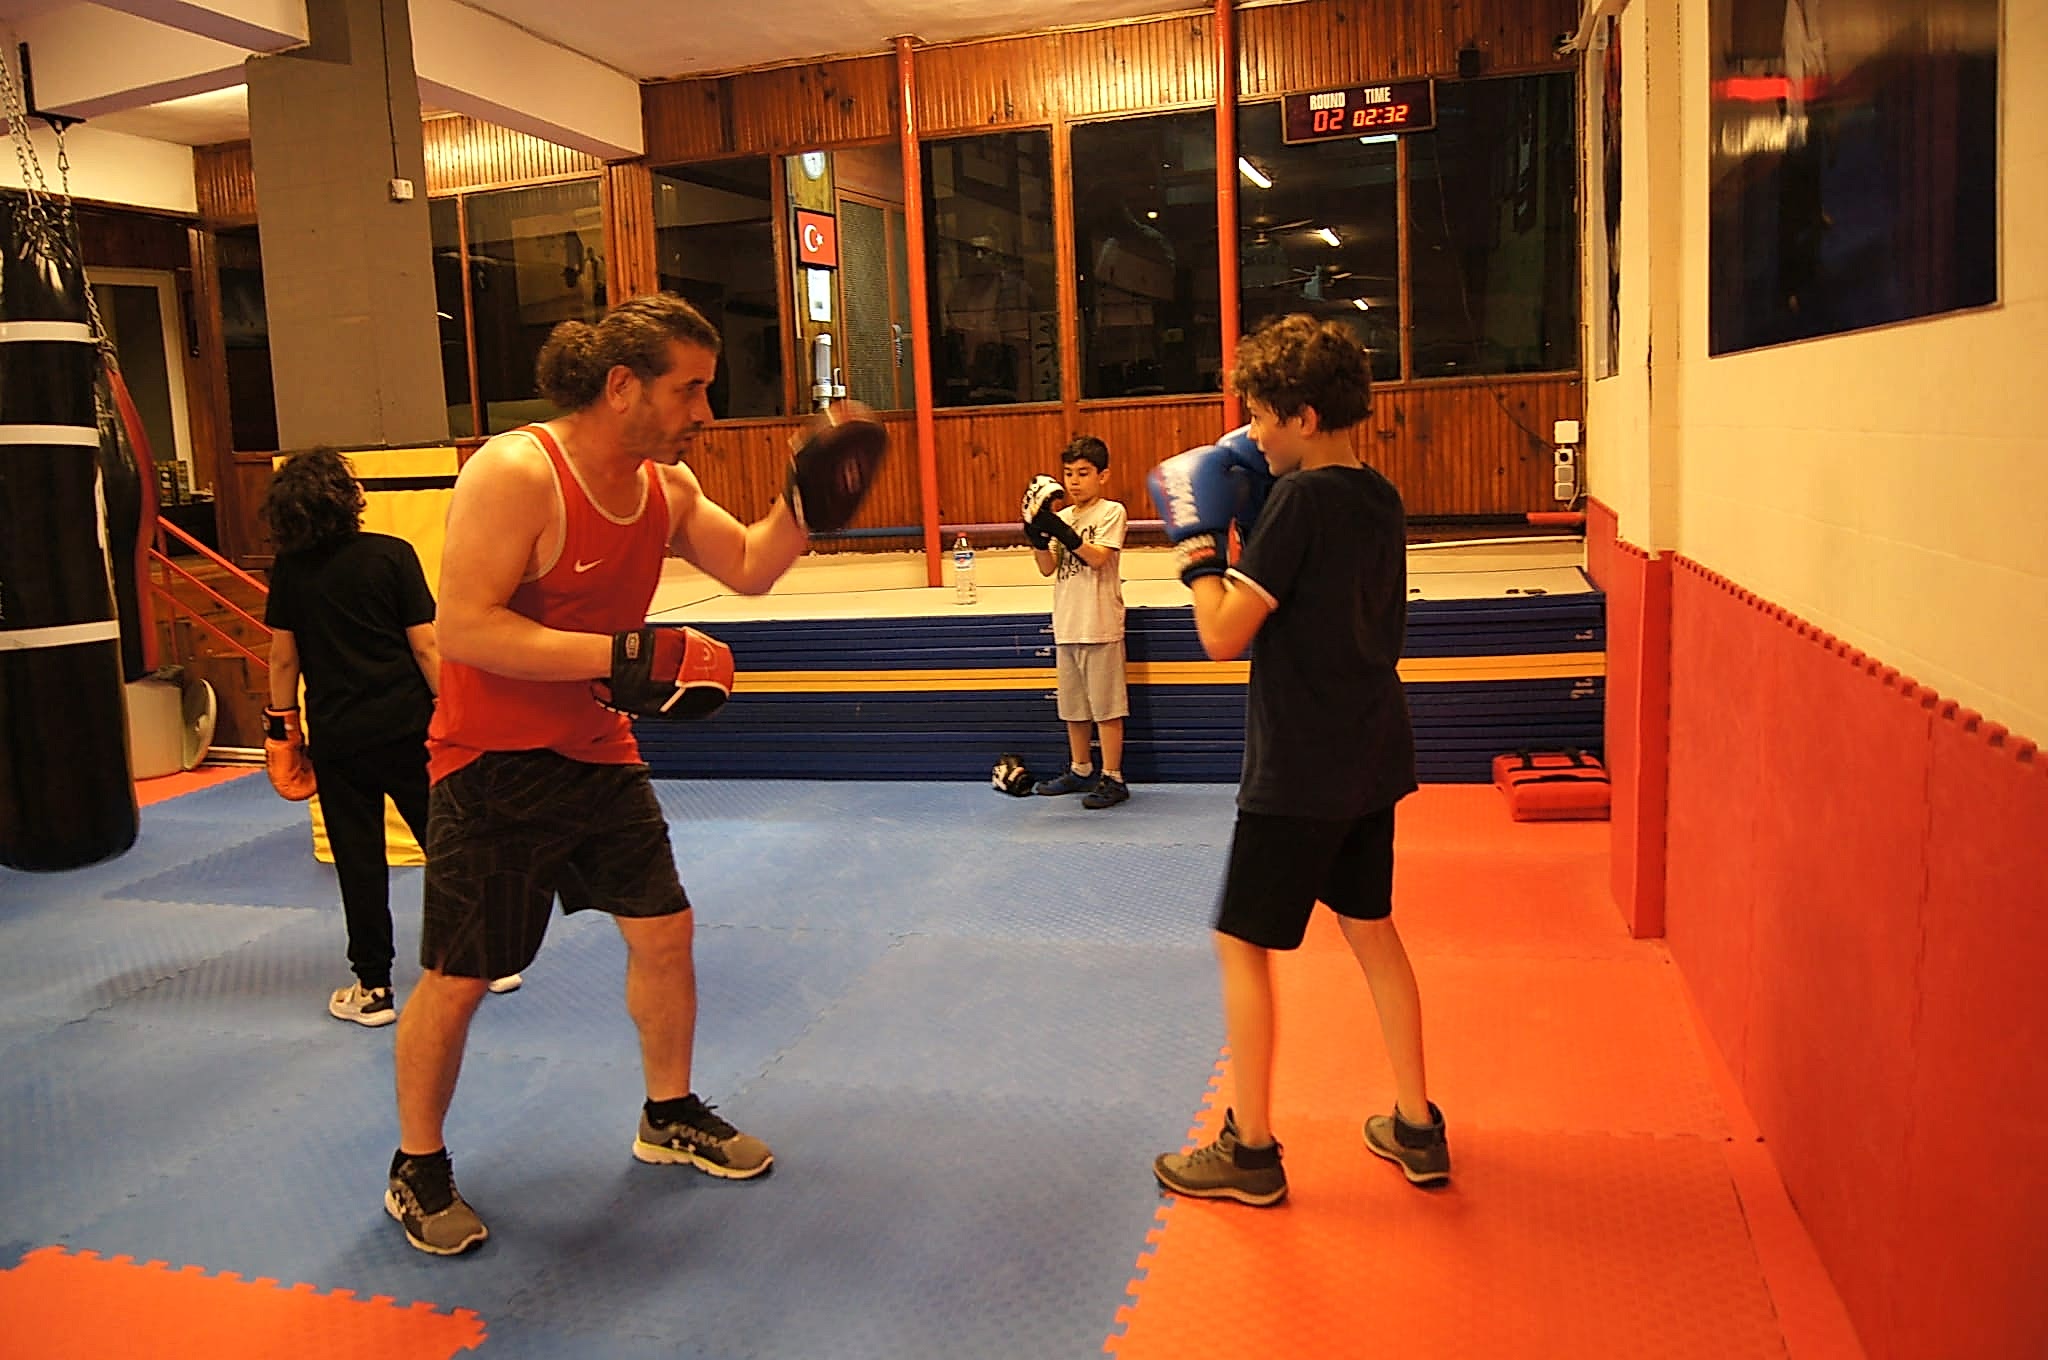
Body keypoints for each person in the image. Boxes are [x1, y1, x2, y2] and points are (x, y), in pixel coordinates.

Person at [385, 292, 881, 1256]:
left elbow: (750, 567)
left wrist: (805, 504)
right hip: (490, 762)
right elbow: (466, 629)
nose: (705, 411)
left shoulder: (667, 490)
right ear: (622, 387)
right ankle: (418, 1164)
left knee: (664, 930)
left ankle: (669, 1112)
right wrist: (623, 656)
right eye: (688, 390)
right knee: (462, 975)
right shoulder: (517, 473)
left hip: (596, 750)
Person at [1145, 314, 1448, 1207]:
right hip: (1371, 750)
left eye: (1260, 416)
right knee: (1372, 930)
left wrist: (1198, 551)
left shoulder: (1299, 503)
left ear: (1304, 417)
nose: (1251, 433)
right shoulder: (1378, 494)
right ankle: (1417, 1125)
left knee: (1241, 943)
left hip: (1299, 766)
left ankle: (1251, 1149)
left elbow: (1221, 635)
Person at [260, 448, 522, 1030]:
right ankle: (488, 961)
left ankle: (374, 988)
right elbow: (426, 646)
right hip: (409, 729)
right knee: (445, 844)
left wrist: (282, 729)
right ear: (347, 498)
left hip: (339, 739)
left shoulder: (291, 572)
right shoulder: (392, 554)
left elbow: (283, 659)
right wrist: (456, 712)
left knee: (358, 862)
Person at [1020, 435, 1130, 809]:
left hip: (1099, 622)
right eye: (1069, 474)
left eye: (1083, 473)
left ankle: (1113, 777)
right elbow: (1047, 568)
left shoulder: (1111, 512)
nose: (1075, 481)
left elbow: (1098, 558)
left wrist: (1060, 531)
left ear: (1103, 475)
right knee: (1074, 707)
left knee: (1107, 707)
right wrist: (1037, 537)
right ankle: (1081, 768)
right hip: (1067, 622)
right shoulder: (1064, 516)